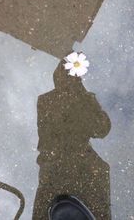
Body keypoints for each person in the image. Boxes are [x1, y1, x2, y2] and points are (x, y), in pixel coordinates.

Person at [33, 57, 111, 220]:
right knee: (48, 197)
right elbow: (48, 134)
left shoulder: (86, 98)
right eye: (66, 74)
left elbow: (102, 129)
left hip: (83, 159)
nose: (71, 78)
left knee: (95, 199)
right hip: (56, 159)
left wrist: (83, 96)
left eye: (74, 75)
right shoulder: (46, 100)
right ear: (58, 76)